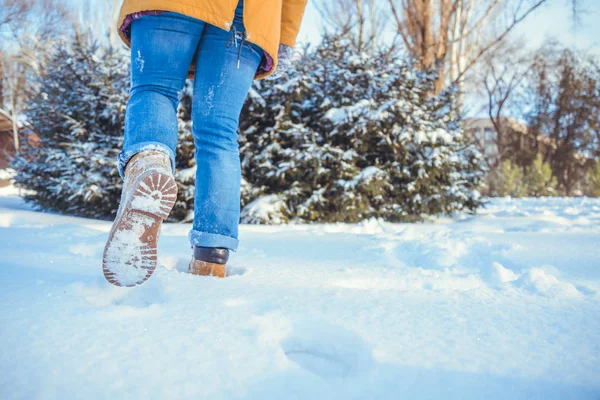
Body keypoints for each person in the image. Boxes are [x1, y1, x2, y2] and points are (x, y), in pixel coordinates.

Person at [102, 0, 308, 287]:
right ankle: (211, 258)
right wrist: (283, 37)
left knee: (155, 90)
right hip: (251, 14)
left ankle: (150, 163)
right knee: (218, 133)